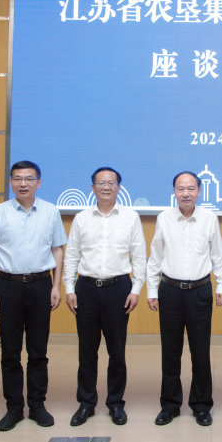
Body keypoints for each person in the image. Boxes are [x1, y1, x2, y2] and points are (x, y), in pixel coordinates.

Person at [0, 161, 67, 431]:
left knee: (38, 351)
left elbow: (58, 249)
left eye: (29, 179)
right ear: (11, 182)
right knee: (10, 351)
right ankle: (14, 408)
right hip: (7, 286)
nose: (23, 184)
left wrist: (56, 286)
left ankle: (37, 406)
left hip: (41, 285)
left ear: (38, 182)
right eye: (17, 178)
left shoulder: (51, 211)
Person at [63, 167, 146, 427]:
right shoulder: (81, 218)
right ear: (93, 188)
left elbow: (139, 256)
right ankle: (86, 403)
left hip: (118, 288)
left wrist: (136, 290)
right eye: (101, 183)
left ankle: (116, 403)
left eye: (111, 183)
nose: (106, 187)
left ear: (119, 187)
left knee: (116, 351)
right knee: (87, 350)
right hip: (86, 288)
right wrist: (69, 289)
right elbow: (71, 255)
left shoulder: (131, 217)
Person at [146, 171, 222, 426]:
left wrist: (221, 285)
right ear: (174, 192)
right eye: (180, 189)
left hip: (200, 291)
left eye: (191, 188)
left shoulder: (209, 218)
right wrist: (151, 289)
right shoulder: (164, 218)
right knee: (170, 351)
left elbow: (218, 254)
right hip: (169, 290)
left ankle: (201, 406)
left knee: (200, 352)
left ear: (199, 191)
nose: (186, 193)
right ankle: (170, 405)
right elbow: (156, 256)